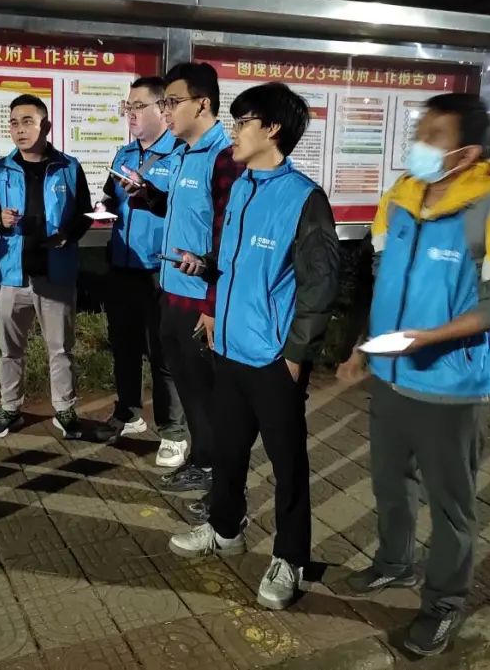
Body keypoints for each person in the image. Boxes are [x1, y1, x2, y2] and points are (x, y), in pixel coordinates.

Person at [336, 93, 490, 657]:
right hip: (391, 377)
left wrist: (432, 337)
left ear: (466, 152)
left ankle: (444, 604)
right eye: (419, 131)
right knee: (390, 484)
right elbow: (383, 283)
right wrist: (361, 349)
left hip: (453, 387)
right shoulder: (399, 200)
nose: (418, 143)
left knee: (452, 506)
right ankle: (394, 563)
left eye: (433, 135)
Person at [168, 83, 340, 612]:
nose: (235, 131)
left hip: (272, 359)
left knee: (288, 465)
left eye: (243, 122)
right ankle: (225, 529)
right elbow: (234, 261)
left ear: (273, 129)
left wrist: (295, 357)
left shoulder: (305, 198)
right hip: (228, 348)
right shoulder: (241, 186)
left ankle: (290, 558)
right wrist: (207, 277)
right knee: (228, 451)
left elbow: (320, 286)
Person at [120, 62, 238, 492]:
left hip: (200, 301)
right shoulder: (186, 152)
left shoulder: (224, 158)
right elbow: (186, 212)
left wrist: (212, 305)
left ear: (202, 104)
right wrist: (150, 196)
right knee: (190, 391)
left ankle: (224, 483)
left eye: (173, 101)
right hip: (172, 291)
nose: (165, 111)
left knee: (209, 396)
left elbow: (229, 236)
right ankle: (202, 461)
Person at [0, 94, 93, 439]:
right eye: (14, 123)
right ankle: (10, 408)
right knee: (9, 350)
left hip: (56, 273)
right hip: (12, 275)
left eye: (28, 121)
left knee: (61, 349)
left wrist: (67, 235)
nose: (20, 129)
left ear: (47, 126)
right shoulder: (1, 169)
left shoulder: (68, 167)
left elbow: (84, 214)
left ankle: (64, 409)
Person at [84, 76, 184, 452]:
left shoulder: (180, 155)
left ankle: (173, 431)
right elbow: (111, 197)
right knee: (124, 346)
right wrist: (103, 207)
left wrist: (151, 195)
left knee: (163, 353)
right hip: (122, 267)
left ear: (162, 108)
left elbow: (185, 211)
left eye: (138, 106)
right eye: (128, 106)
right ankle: (128, 413)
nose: (131, 113)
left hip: (160, 272)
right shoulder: (124, 154)